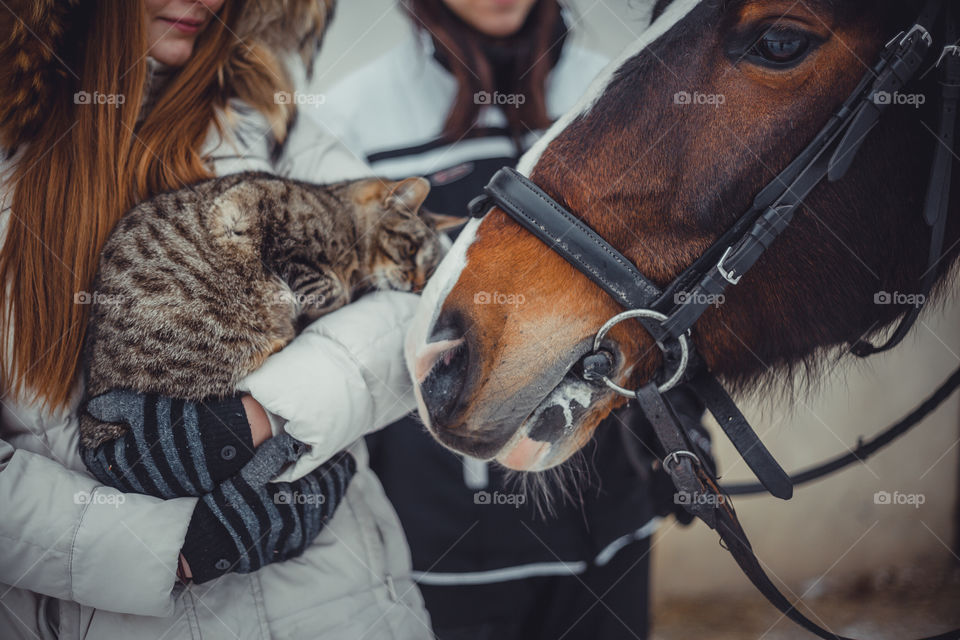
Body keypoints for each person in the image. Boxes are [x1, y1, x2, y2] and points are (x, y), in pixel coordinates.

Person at [0, 1, 429, 638]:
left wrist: (262, 417)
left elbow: (414, 308)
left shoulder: (262, 109)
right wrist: (171, 548)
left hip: (338, 603)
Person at [311, 2, 699, 638]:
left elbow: (672, 281)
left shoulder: (623, 88)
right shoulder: (351, 119)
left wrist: (682, 420)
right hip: (440, 536)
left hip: (610, 513)